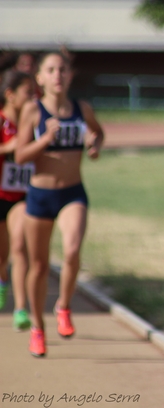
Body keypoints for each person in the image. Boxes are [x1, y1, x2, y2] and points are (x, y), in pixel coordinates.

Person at [15, 50, 104, 358]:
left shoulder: (81, 108)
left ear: (70, 75)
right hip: (40, 196)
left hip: (72, 193)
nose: (58, 75)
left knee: (72, 250)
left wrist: (94, 145)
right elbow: (20, 155)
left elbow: (99, 132)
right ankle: (38, 328)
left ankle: (63, 306)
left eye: (63, 69)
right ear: (39, 77)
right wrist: (44, 139)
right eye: (51, 70)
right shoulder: (33, 111)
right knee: (38, 266)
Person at [0, 70, 36, 331]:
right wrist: (8, 148)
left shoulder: (33, 122)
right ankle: (2, 282)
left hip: (21, 197)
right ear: (10, 96)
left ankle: (21, 308)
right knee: (2, 256)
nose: (33, 97)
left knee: (19, 245)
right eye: (28, 93)